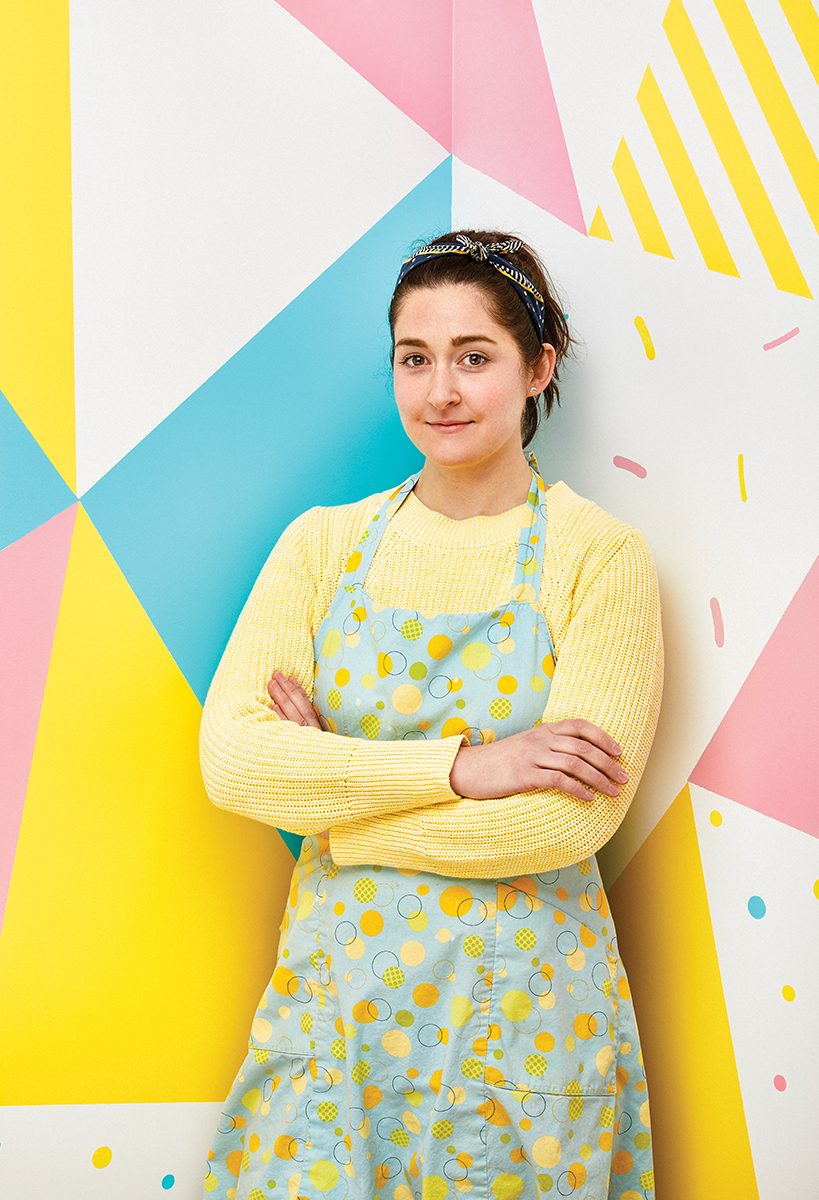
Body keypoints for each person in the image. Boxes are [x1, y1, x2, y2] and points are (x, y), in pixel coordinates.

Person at [200, 231, 662, 1200]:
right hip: (339, 1018)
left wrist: (331, 803)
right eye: (415, 359)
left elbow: (564, 819)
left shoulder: (598, 558)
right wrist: (466, 769)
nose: (440, 390)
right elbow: (235, 761)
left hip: (523, 1025)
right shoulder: (322, 547)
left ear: (539, 368)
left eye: (475, 357)